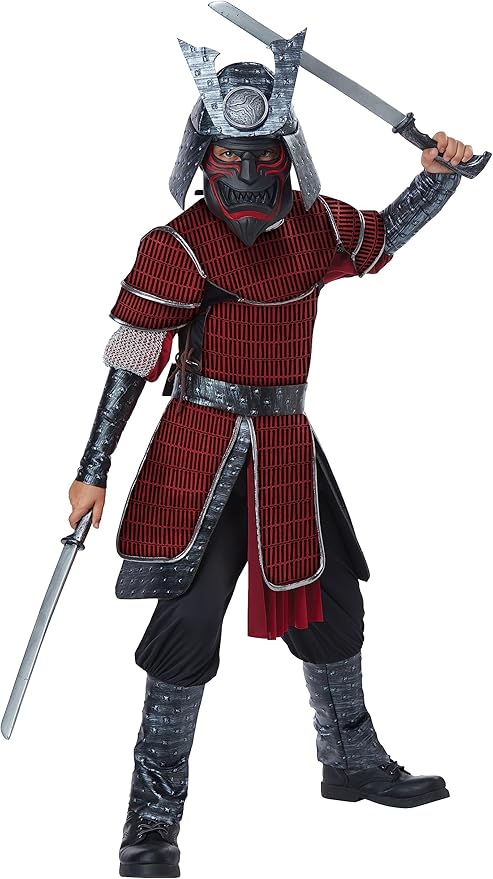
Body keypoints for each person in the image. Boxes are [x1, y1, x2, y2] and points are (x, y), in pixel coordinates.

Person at [68, 31, 473, 879]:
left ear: (288, 152)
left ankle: (350, 761)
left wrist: (436, 176)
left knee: (332, 603)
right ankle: (151, 817)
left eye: (261, 155)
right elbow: (133, 356)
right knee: (185, 627)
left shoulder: (316, 227)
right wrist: (92, 468)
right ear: (201, 153)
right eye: (229, 155)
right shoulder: (177, 244)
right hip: (198, 449)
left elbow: (383, 233)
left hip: (287, 447)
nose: (247, 172)